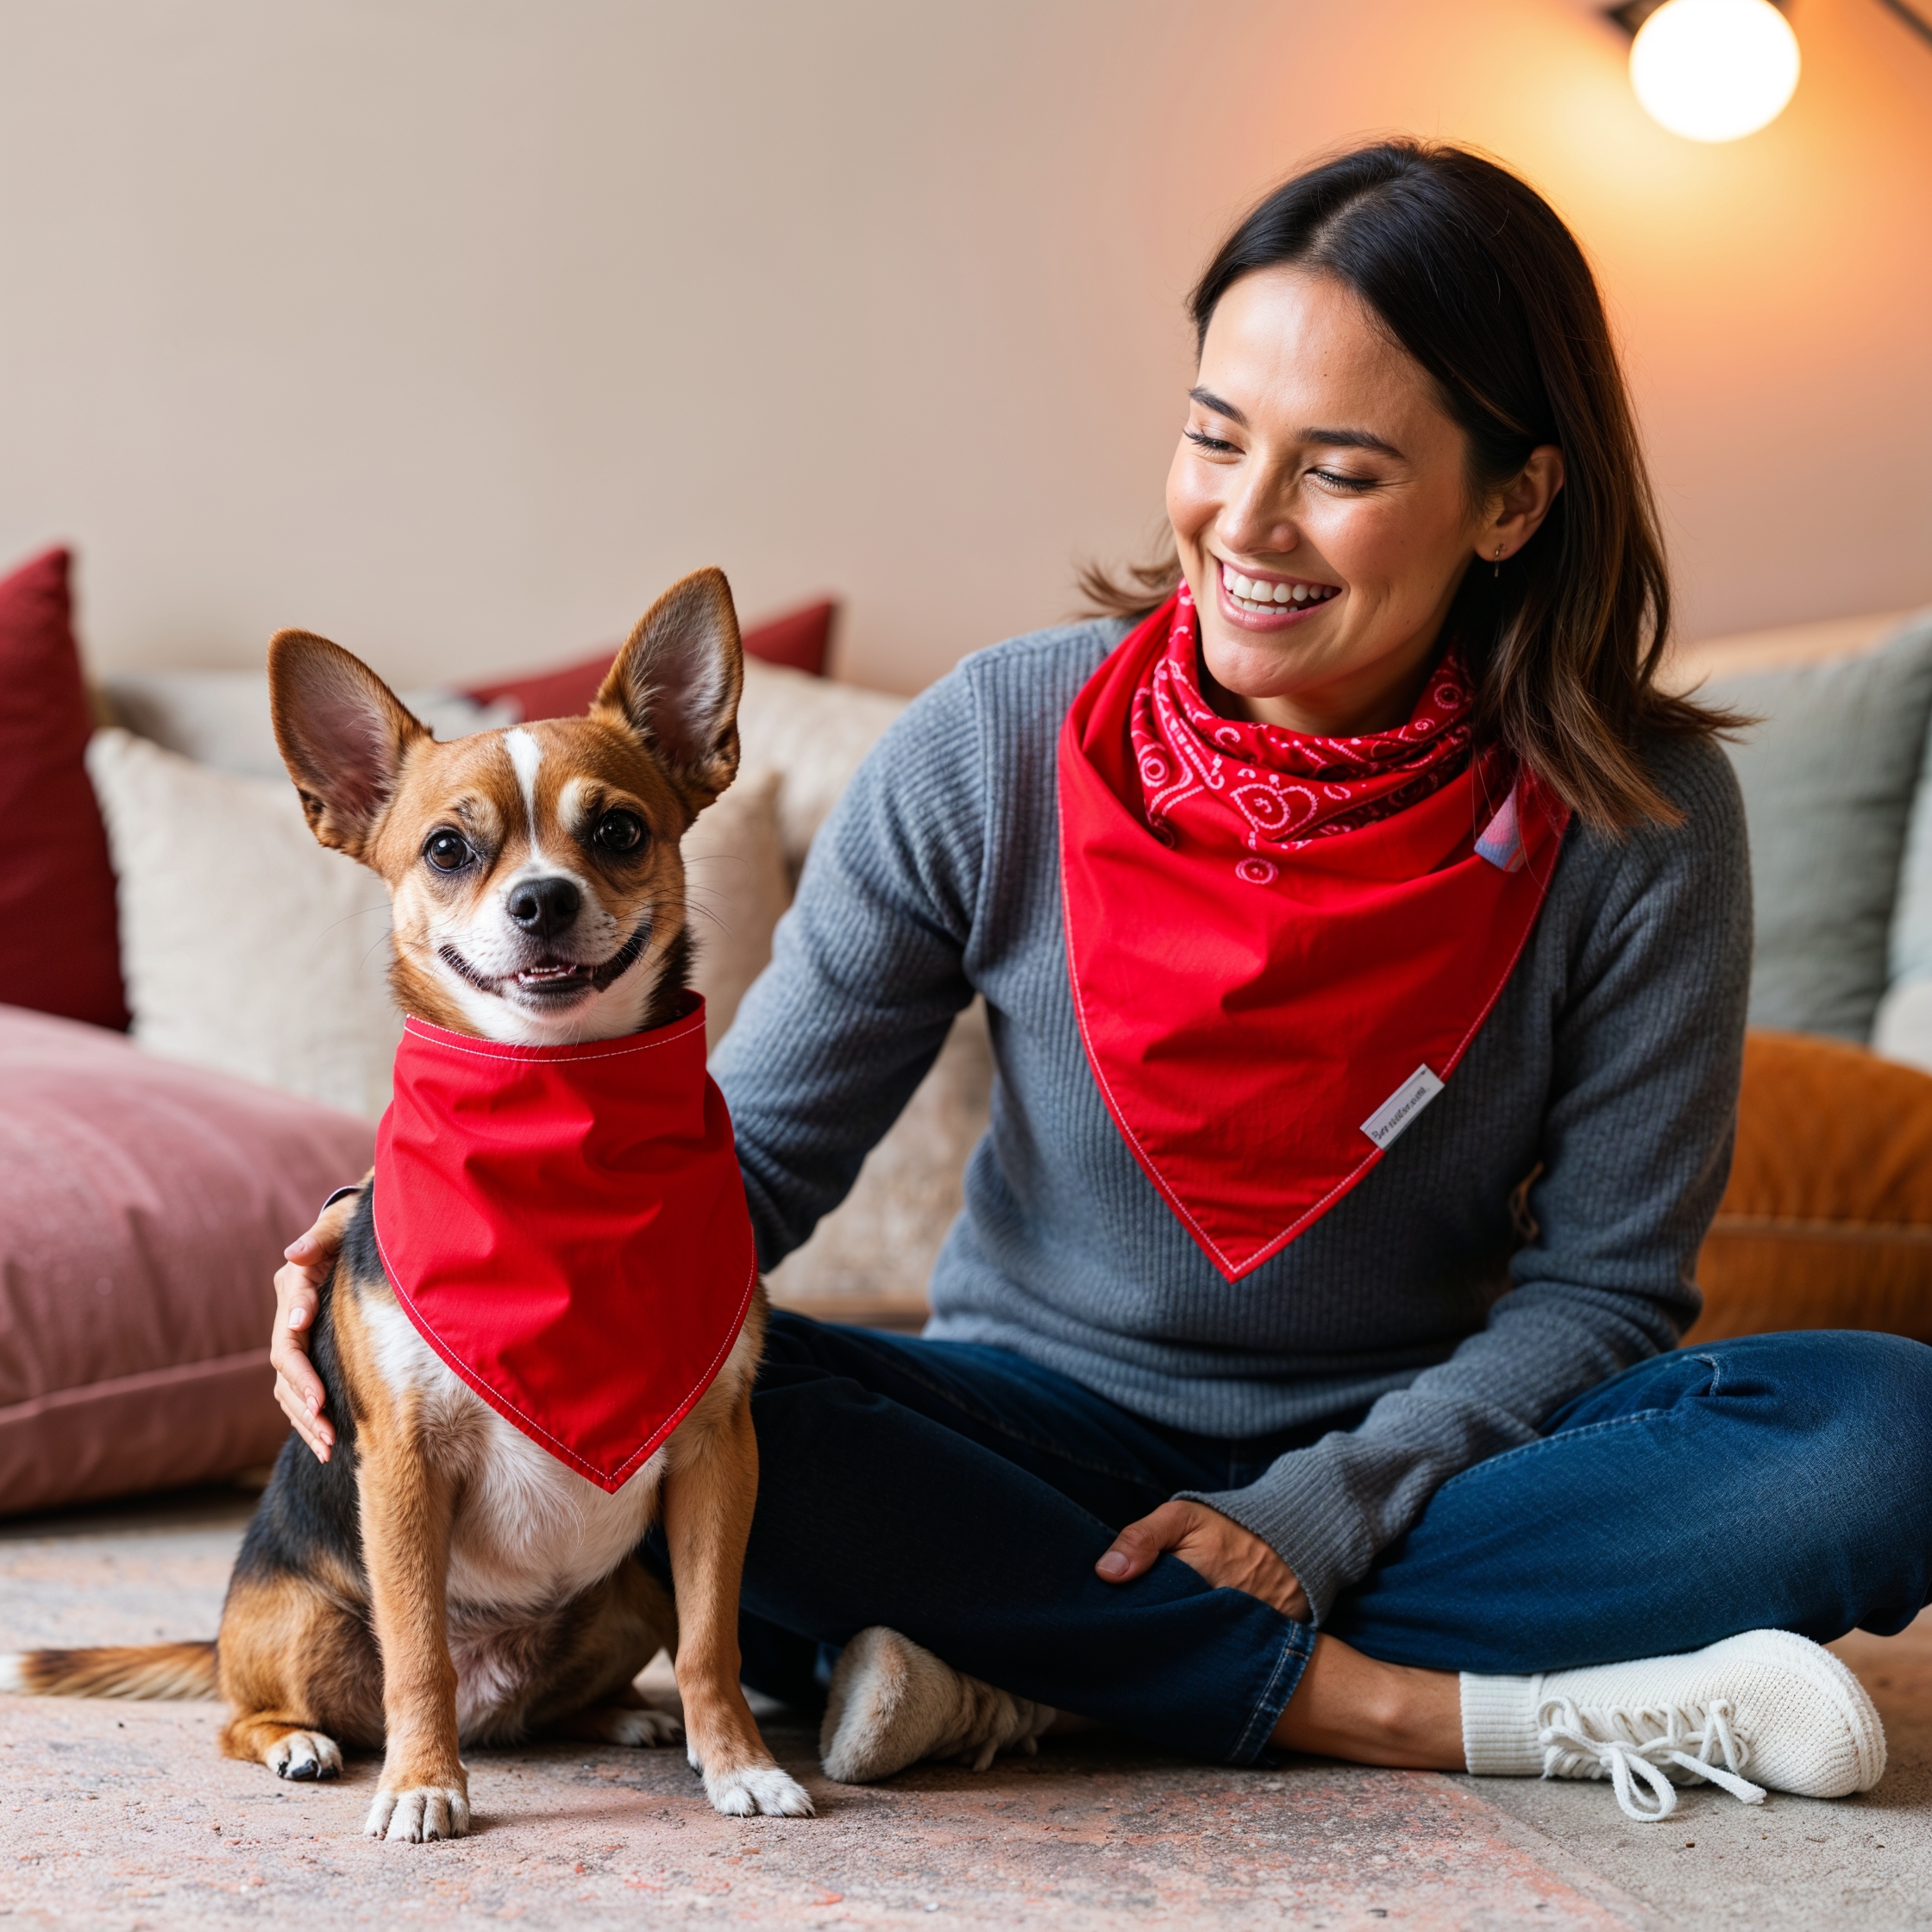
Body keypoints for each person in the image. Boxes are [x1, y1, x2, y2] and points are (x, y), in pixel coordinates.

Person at [270, 140, 1930, 1822]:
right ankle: (1408, 1709)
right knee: (743, 1414)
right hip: (1014, 1436)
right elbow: (735, 1173)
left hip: (1422, 1458)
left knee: (1883, 1432)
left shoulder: (1637, 813)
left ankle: (1028, 1668)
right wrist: (416, 1253)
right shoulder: (993, 741)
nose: (1244, 520)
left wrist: (1322, 1508)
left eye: (1339, 471)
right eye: (1215, 436)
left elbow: (1601, 1294)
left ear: (1511, 501)